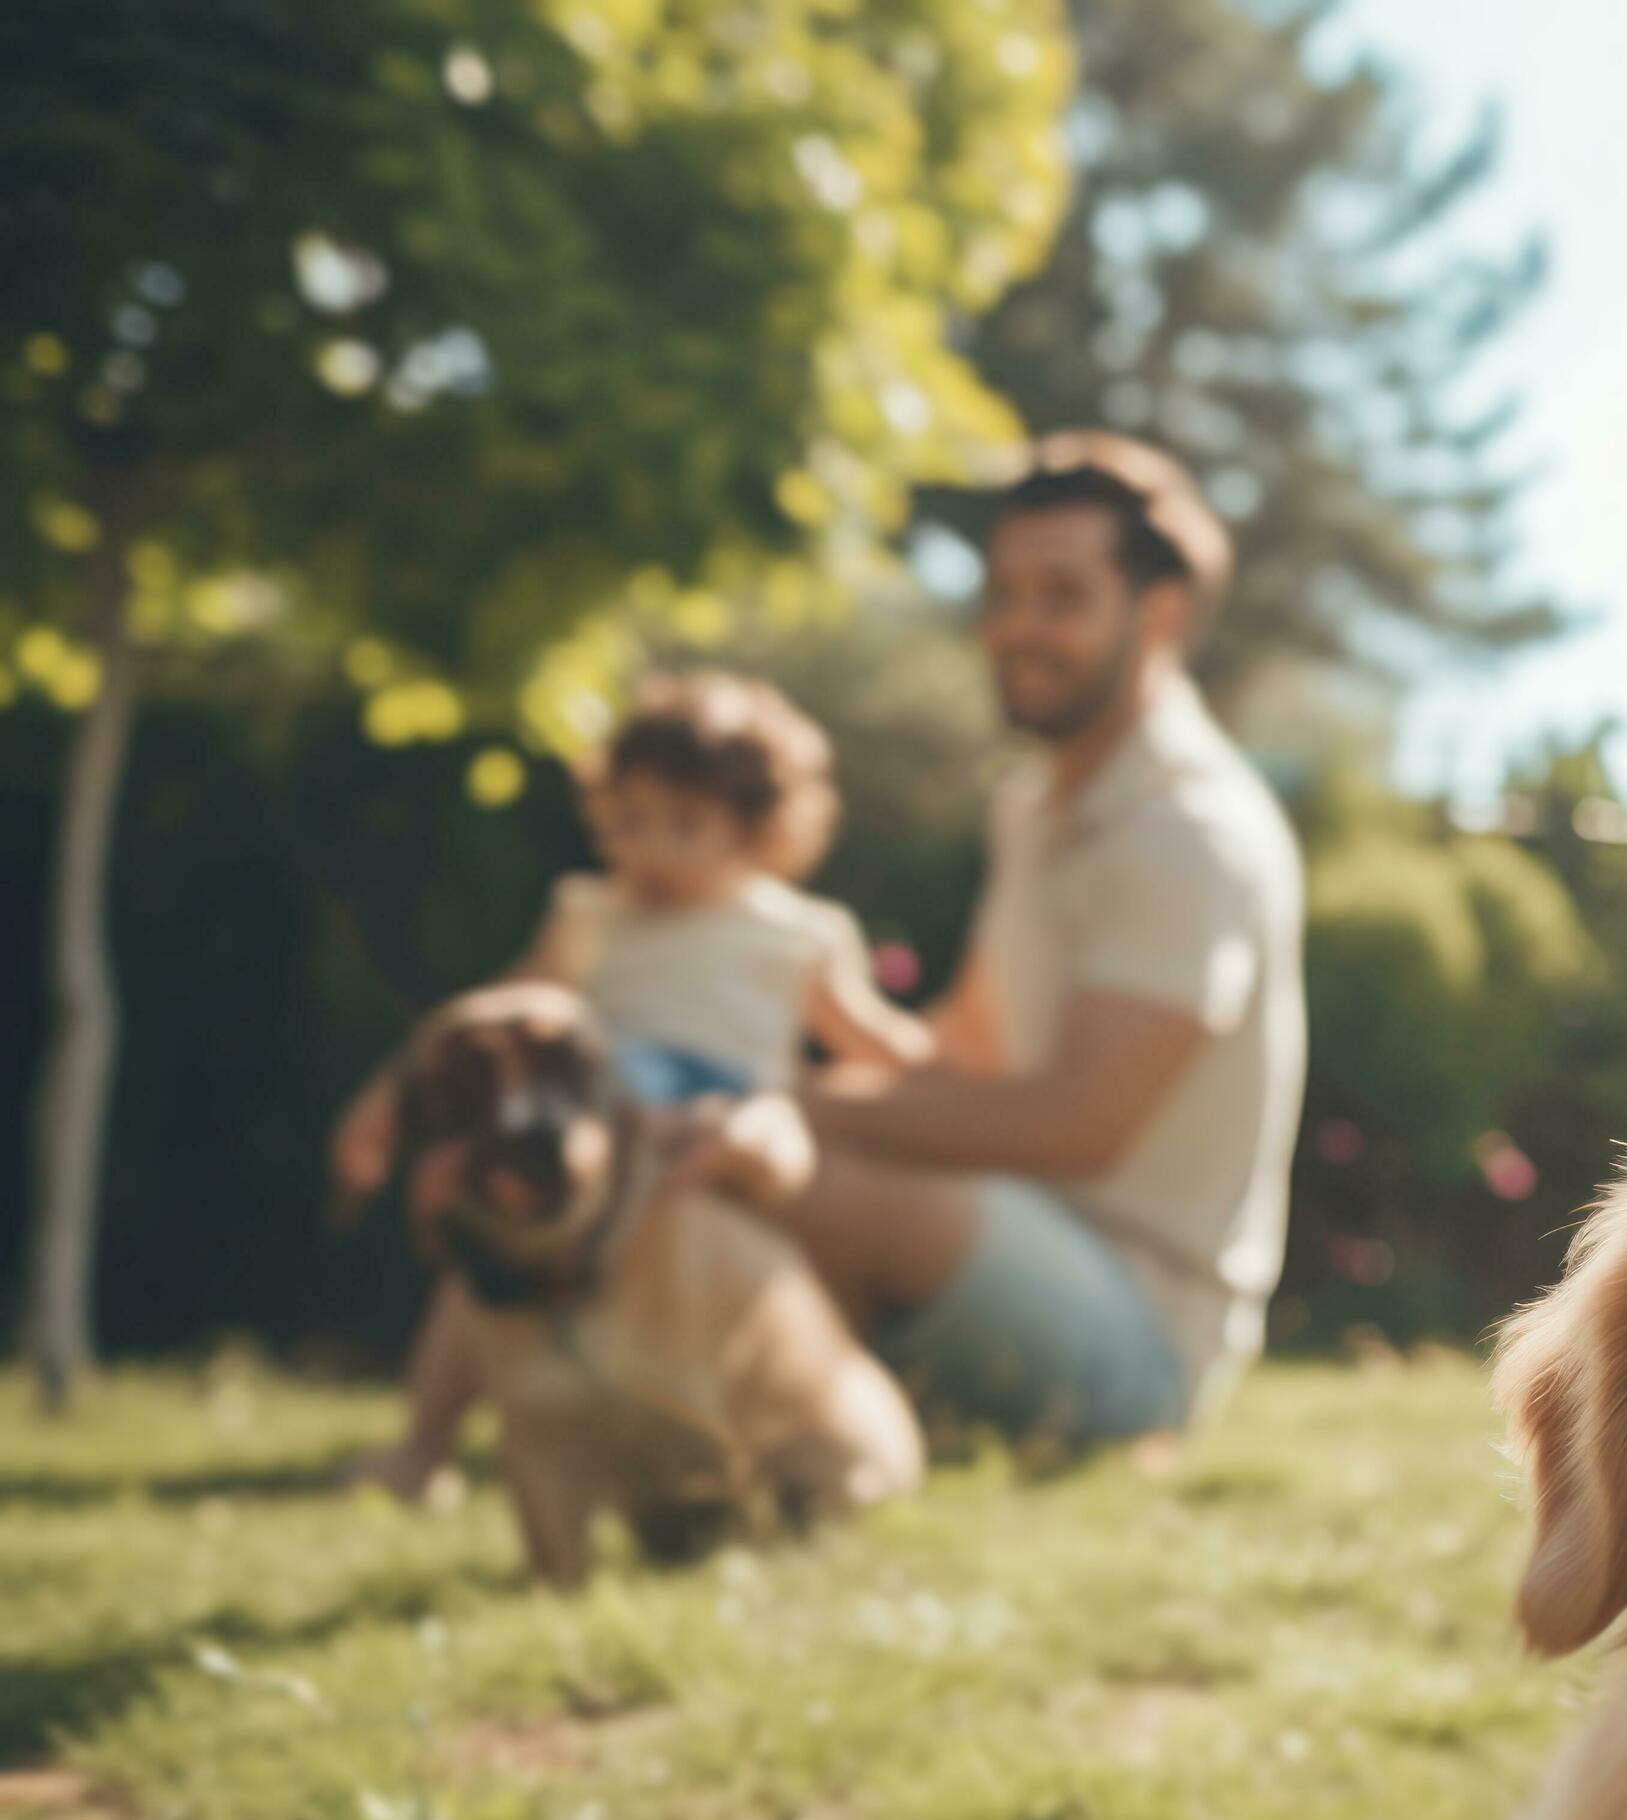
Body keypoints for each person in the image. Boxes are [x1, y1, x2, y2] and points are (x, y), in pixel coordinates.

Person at [675, 430, 1305, 1450]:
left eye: (1060, 596)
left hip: (1141, 1338)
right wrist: (753, 1055)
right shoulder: (1035, 809)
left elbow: (1075, 1125)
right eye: (1001, 593)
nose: (1015, 627)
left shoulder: (1193, 832)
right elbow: (961, 1055)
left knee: (795, 1164)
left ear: (1163, 613)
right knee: (748, 1141)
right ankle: (739, 1428)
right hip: (1015, 1237)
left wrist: (794, 1109)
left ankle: (790, 1445)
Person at [333, 671, 932, 1496]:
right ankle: (423, 1446)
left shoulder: (798, 933)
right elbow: (497, 1015)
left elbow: (864, 1039)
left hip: (722, 1138)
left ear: (757, 825)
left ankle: (754, 1456)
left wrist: (948, 1066)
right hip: (592, 1135)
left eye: (684, 826)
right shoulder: (592, 915)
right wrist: (386, 1099)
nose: (651, 850)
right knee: (480, 1274)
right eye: (630, 823)